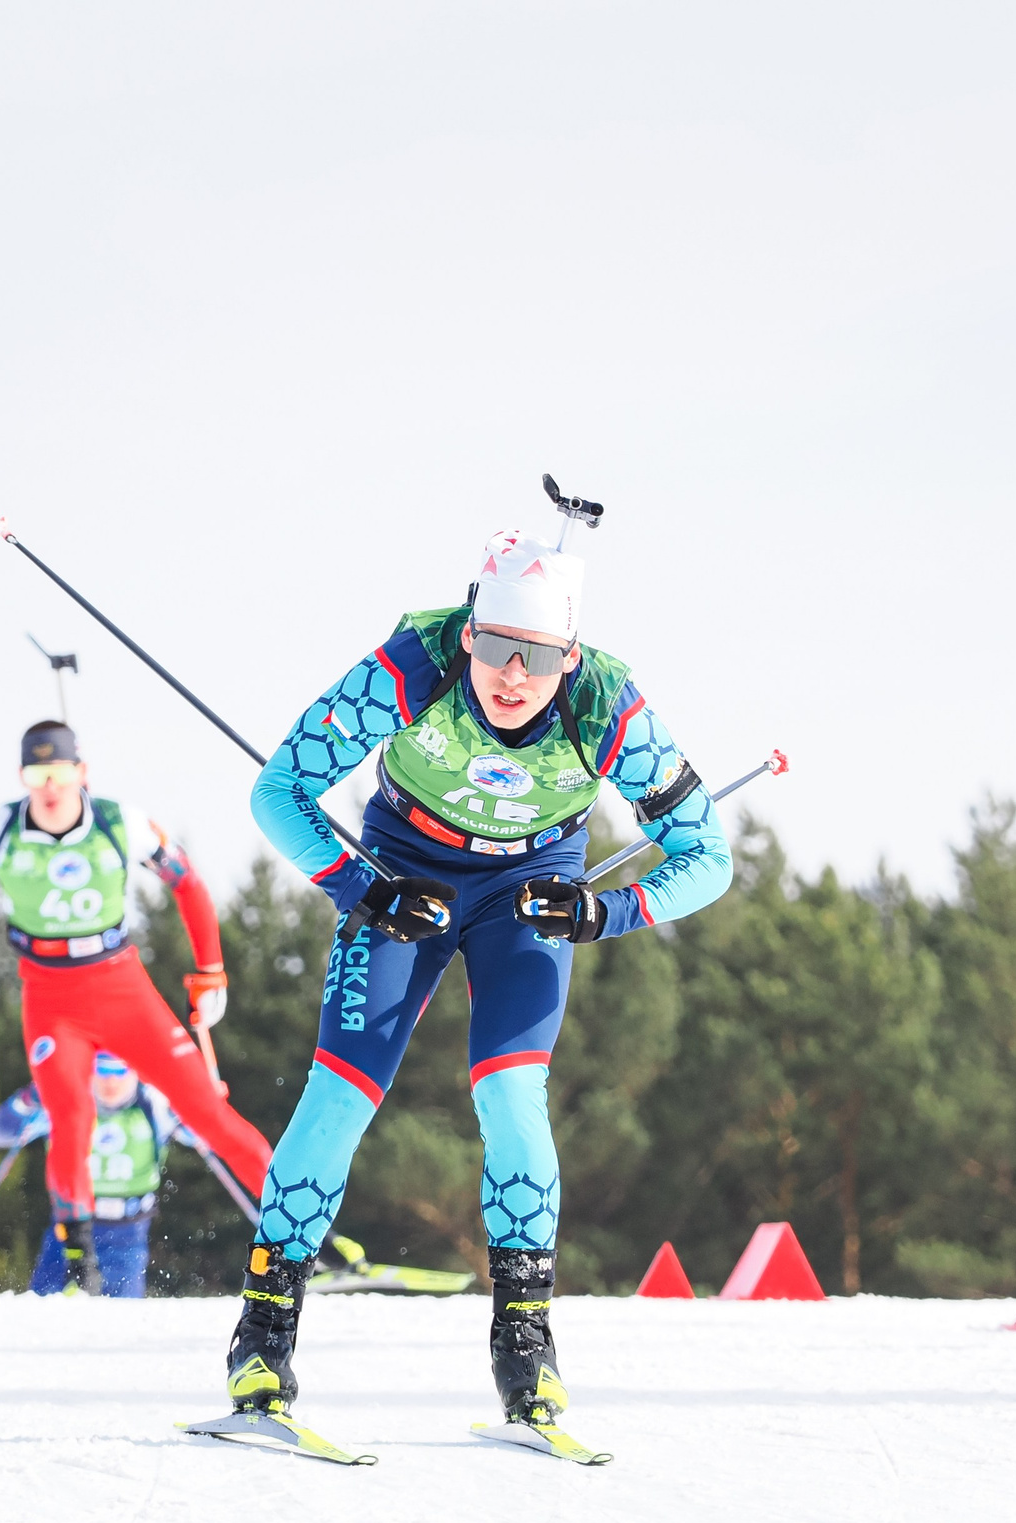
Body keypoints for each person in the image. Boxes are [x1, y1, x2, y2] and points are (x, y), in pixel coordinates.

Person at [223, 523, 732, 1429]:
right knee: (339, 1095)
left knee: (512, 1100)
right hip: (403, 869)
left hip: (526, 892)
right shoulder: (409, 667)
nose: (511, 676)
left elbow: (708, 856)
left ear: (569, 656)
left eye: (537, 658)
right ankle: (264, 1336)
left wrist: (604, 910)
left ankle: (526, 1348)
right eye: (495, 647)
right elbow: (277, 793)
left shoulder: (608, 705)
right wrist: (361, 887)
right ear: (467, 631)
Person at [0, 720, 272, 1293]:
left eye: (61, 772)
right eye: (38, 774)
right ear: (23, 777)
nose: (50, 786)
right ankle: (74, 1256)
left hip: (121, 986)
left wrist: (210, 970)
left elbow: (188, 883)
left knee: (205, 1110)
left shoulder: (122, 822)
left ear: (82, 773)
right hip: (50, 996)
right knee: (70, 1114)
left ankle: (301, 1225)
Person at [0, 1053, 196, 1297]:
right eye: (102, 1071)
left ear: (135, 1072)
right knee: (45, 1314)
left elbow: (205, 1138)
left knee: (120, 1321)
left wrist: (206, 1103)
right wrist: (29, 1098)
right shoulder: (67, 1101)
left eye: (120, 1072)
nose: (111, 1082)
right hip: (70, 1229)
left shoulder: (154, 1105)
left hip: (128, 1232)